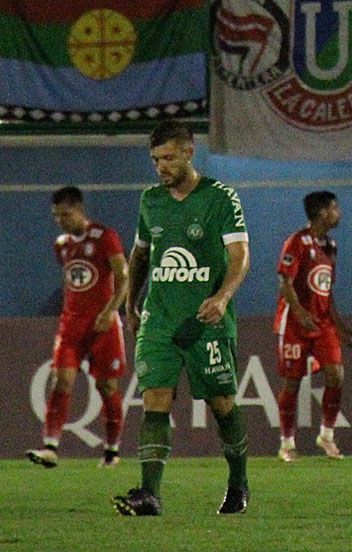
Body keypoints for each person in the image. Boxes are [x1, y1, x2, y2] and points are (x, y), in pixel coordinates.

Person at [113, 120, 251, 516]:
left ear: (190, 151)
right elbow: (139, 255)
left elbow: (240, 257)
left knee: (222, 403)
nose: (161, 167)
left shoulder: (221, 198)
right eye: (156, 160)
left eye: (169, 157)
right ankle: (150, 493)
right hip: (160, 320)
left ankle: (239, 480)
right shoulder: (150, 201)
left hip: (205, 320)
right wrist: (130, 304)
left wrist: (223, 298)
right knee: (155, 398)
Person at [27, 186, 128, 469]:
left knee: (107, 386)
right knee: (62, 380)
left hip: (103, 324)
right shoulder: (62, 244)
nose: (60, 220)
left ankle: (111, 451)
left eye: (65, 214)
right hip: (71, 324)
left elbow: (123, 275)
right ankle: (50, 447)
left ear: (79, 209)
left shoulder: (105, 237)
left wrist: (110, 311)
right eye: (56, 215)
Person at [274, 191, 352, 462]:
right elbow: (284, 282)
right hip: (296, 322)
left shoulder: (330, 245)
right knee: (292, 382)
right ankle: (287, 444)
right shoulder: (297, 242)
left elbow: (326, 289)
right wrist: (299, 312)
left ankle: (326, 436)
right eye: (334, 207)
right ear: (322, 212)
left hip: (322, 322)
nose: (338, 212)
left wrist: (338, 323)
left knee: (336, 376)